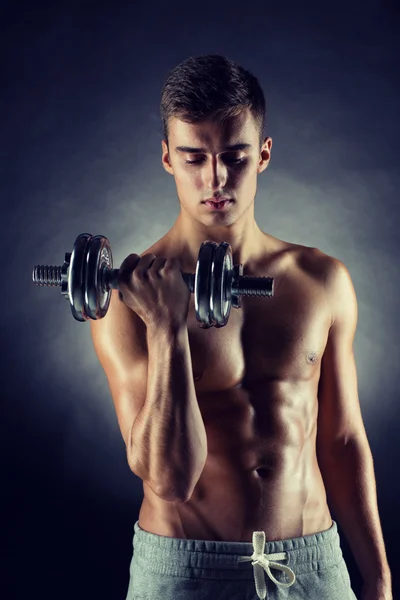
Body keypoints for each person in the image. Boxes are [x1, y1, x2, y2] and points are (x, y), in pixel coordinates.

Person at [89, 55, 392, 600]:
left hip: (311, 566)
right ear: (167, 160)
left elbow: (343, 440)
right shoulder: (128, 300)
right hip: (184, 573)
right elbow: (168, 478)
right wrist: (166, 327)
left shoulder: (321, 281)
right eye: (193, 158)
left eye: (235, 157)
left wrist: (378, 575)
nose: (216, 179)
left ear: (264, 154)